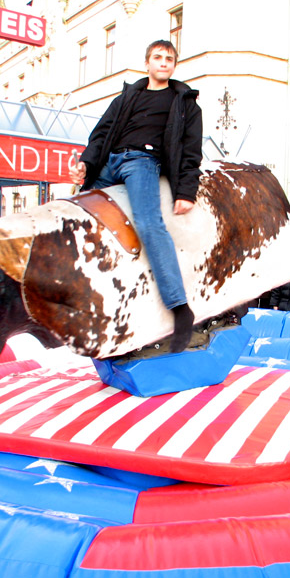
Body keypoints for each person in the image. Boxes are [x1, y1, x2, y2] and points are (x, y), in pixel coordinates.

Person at [69, 39, 202, 352]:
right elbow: (101, 133)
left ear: (174, 65)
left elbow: (191, 150)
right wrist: (86, 164)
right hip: (110, 161)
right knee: (74, 211)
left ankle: (180, 308)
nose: (164, 62)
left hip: (143, 162)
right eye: (158, 57)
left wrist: (186, 190)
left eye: (169, 58)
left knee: (148, 223)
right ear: (148, 63)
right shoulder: (129, 95)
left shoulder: (184, 102)